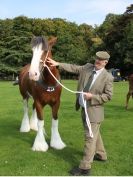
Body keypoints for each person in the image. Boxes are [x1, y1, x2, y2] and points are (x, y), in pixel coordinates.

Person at [47, 51, 114, 176]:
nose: (98, 61)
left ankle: (85, 167)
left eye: (101, 60)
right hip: (84, 109)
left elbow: (108, 96)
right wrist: (57, 64)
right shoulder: (88, 67)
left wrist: (92, 96)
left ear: (106, 62)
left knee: (89, 138)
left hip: (94, 112)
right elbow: (73, 67)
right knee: (95, 134)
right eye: (97, 59)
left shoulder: (108, 77)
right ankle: (101, 154)